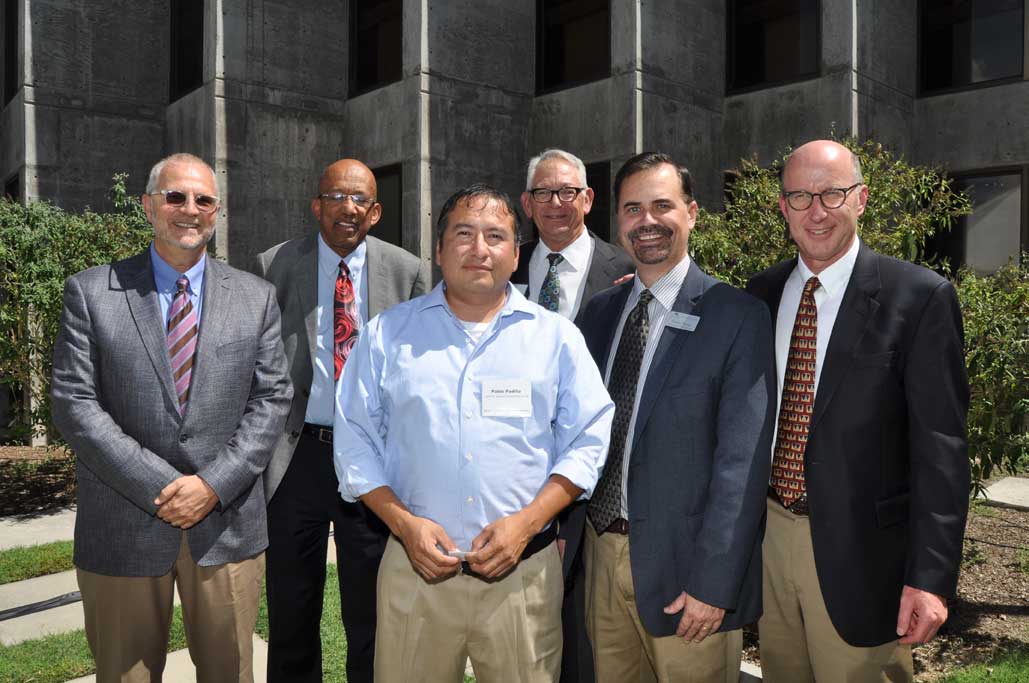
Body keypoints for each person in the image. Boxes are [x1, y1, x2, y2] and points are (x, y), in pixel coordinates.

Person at [333, 183, 614, 682]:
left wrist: (527, 523)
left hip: (522, 576)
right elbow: (354, 442)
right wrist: (404, 524)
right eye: (463, 234)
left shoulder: (556, 339)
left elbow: (588, 440)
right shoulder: (386, 336)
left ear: (515, 254)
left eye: (496, 236)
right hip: (414, 571)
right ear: (439, 251)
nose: (479, 249)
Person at [51, 152, 292, 682]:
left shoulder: (256, 297)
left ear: (217, 211)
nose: (190, 209)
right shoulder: (91, 292)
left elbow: (272, 399)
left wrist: (211, 484)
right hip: (122, 526)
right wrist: (164, 486)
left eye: (203, 200)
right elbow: (74, 403)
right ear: (147, 206)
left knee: (230, 674)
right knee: (125, 675)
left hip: (226, 529)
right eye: (175, 196)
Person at [746, 139, 970, 682]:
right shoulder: (761, 294)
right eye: (799, 196)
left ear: (862, 199)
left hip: (867, 557)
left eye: (832, 194)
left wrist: (931, 577)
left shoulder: (918, 297)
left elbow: (941, 451)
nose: (816, 211)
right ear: (782, 207)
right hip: (770, 540)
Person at [577, 152, 776, 683]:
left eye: (662, 205)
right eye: (632, 208)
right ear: (617, 221)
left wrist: (714, 584)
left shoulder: (736, 316)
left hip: (687, 575)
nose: (647, 221)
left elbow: (743, 465)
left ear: (691, 213)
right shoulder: (598, 315)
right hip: (600, 556)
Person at [254, 158, 428, 683]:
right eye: (336, 197)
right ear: (316, 205)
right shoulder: (273, 265)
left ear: (375, 212)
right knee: (291, 607)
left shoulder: (407, 270)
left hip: (374, 460)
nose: (347, 209)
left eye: (360, 200)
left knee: (372, 611)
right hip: (297, 456)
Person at [515, 147, 633, 683]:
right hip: (514, 470)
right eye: (544, 193)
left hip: (600, 473)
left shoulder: (629, 270)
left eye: (568, 192)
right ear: (526, 203)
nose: (556, 204)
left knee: (587, 634)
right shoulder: (500, 263)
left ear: (587, 198)